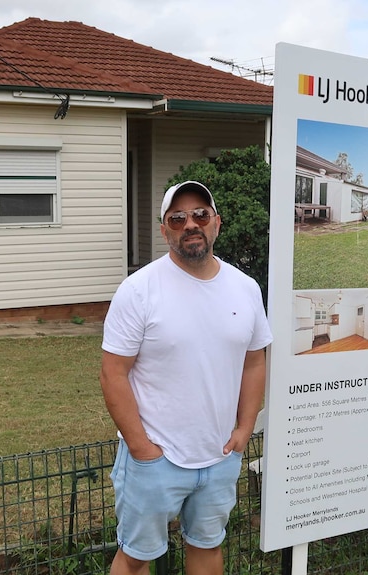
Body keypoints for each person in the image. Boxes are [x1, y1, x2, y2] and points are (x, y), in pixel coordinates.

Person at [100, 180, 273, 575]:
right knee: (135, 557)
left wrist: (245, 427)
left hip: (220, 455)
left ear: (217, 223)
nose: (190, 224)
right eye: (177, 218)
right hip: (155, 458)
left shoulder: (245, 289)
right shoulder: (138, 290)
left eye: (200, 215)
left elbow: (254, 361)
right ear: (165, 231)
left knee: (207, 547)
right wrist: (141, 447)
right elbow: (113, 373)